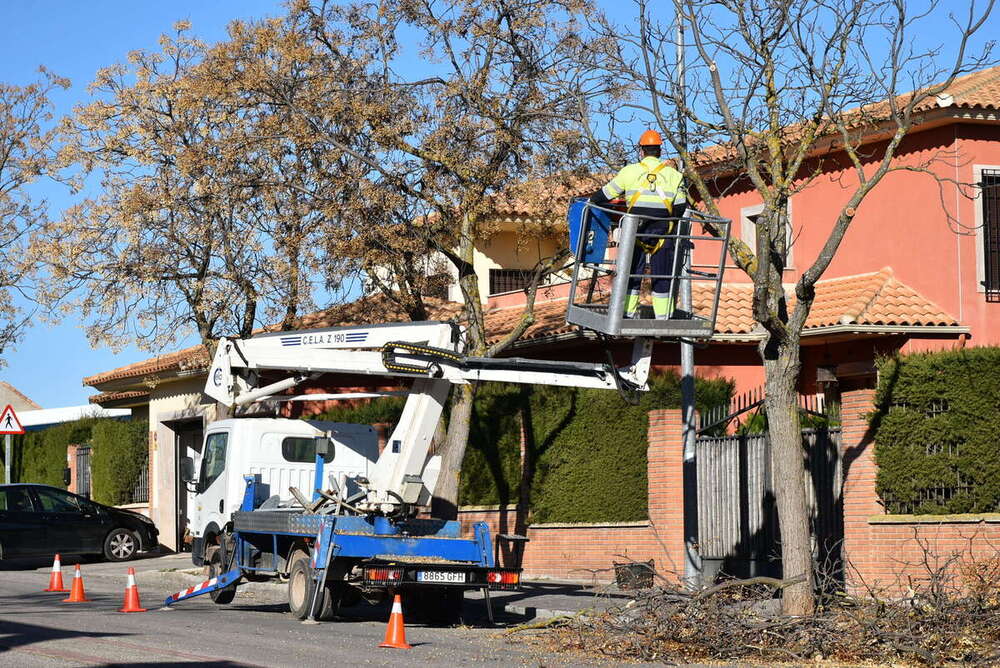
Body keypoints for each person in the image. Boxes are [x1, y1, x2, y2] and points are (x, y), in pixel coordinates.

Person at [590, 130, 687, 319]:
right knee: (663, 274)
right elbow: (680, 208)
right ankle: (663, 316)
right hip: (664, 230)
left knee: (631, 271)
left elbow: (604, 196)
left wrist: (595, 202)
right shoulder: (674, 175)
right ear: (659, 151)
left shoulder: (629, 172)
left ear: (642, 151)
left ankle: (626, 312)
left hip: (635, 230)